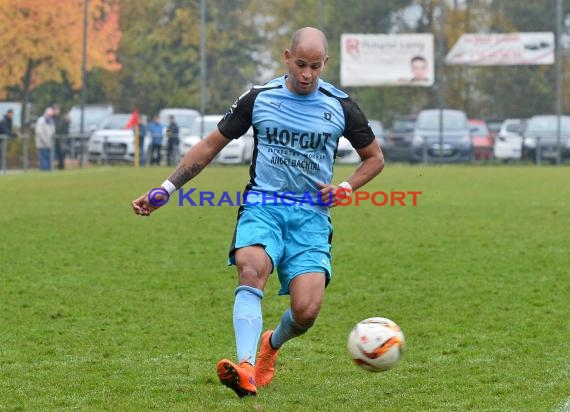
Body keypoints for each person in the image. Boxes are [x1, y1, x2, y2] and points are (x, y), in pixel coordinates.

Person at [131, 27, 384, 398]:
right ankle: (245, 367)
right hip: (263, 206)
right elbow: (209, 145)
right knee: (251, 269)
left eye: (315, 66)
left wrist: (345, 188)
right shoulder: (259, 98)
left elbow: (374, 159)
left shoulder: (340, 106)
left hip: (311, 217)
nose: (307, 74)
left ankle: (271, 344)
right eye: (300, 64)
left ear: (325, 63)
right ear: (286, 57)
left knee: (306, 312)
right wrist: (166, 189)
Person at [35, 107, 55, 171]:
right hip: (42, 144)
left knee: (48, 158)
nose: (50, 116)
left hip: (49, 143)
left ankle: (48, 171)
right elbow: (39, 132)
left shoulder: (51, 121)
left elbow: (52, 131)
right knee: (43, 159)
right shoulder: (41, 120)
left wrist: (49, 142)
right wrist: (46, 141)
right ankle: (44, 171)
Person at [53, 105, 70, 170]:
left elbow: (65, 129)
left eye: (56, 110)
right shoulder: (53, 118)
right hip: (55, 140)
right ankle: (60, 166)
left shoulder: (63, 119)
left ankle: (61, 166)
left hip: (62, 139)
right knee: (57, 154)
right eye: (54, 110)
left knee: (62, 153)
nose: (55, 111)